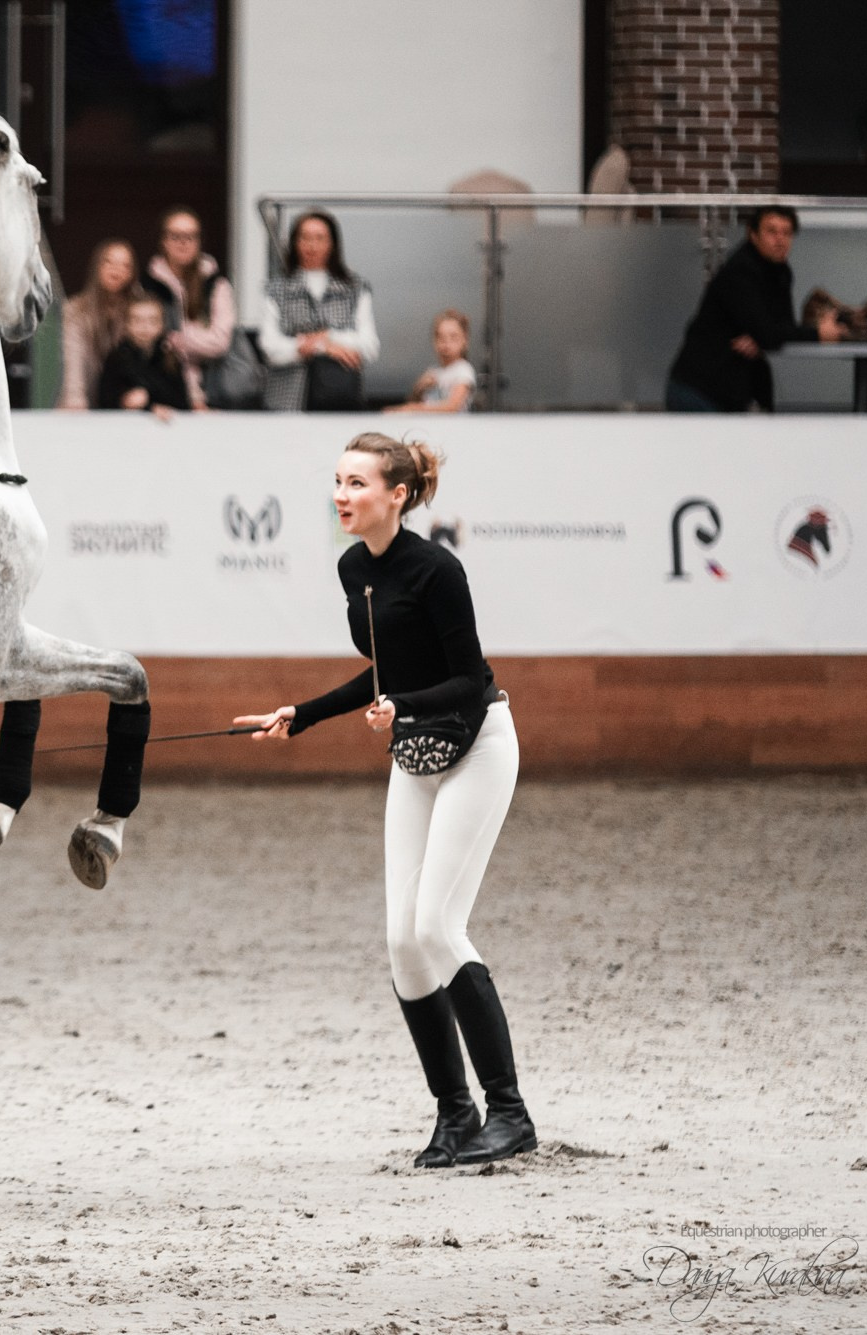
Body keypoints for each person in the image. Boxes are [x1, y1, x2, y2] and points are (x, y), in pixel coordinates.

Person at [232, 433, 535, 1170]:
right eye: (338, 481)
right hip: (415, 755)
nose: (342, 495)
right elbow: (384, 670)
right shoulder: (352, 568)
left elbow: (470, 681)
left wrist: (402, 704)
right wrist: (301, 714)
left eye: (357, 483)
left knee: (436, 926)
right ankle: (456, 1116)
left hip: (478, 745)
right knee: (403, 941)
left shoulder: (437, 569)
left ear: (397, 495)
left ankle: (510, 1114)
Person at [665, 206, 840, 413]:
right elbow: (770, 333)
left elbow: (781, 326)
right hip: (699, 390)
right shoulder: (741, 272)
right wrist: (818, 334)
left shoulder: (780, 272)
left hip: (728, 389)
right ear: (753, 234)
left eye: (786, 233)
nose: (780, 240)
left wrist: (762, 335)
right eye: (771, 231)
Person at [260, 210, 378, 412]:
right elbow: (270, 346)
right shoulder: (277, 289)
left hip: (339, 395)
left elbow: (369, 346)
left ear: (332, 243)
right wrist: (322, 346)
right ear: (295, 242)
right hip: (286, 399)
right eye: (305, 238)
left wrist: (328, 337)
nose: (312, 245)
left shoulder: (355, 287)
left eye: (320, 238)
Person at [141, 207, 236, 410]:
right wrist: (197, 339)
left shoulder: (217, 285)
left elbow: (219, 341)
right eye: (175, 236)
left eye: (190, 236)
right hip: (162, 392)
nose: (183, 243)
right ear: (163, 241)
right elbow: (144, 339)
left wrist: (176, 340)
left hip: (214, 390)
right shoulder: (146, 285)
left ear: (199, 241)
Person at [58, 238, 138, 410]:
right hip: (82, 399)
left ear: (132, 273)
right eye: (109, 262)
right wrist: (75, 397)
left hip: (124, 404)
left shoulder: (136, 310)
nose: (116, 270)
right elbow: (74, 357)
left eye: (125, 265)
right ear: (97, 267)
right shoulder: (76, 309)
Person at [95, 291, 195, 419]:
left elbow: (182, 402)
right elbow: (105, 399)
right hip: (125, 425)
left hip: (167, 425)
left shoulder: (171, 359)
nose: (144, 327)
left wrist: (153, 404)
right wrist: (124, 400)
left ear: (162, 325)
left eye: (152, 321)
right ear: (127, 324)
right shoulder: (116, 358)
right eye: (137, 320)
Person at [385, 310, 476, 414]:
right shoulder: (434, 371)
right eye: (441, 338)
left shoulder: (463, 370)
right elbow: (415, 401)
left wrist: (413, 408)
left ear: (465, 340)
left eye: (453, 337)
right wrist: (419, 388)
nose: (446, 344)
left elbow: (452, 407)